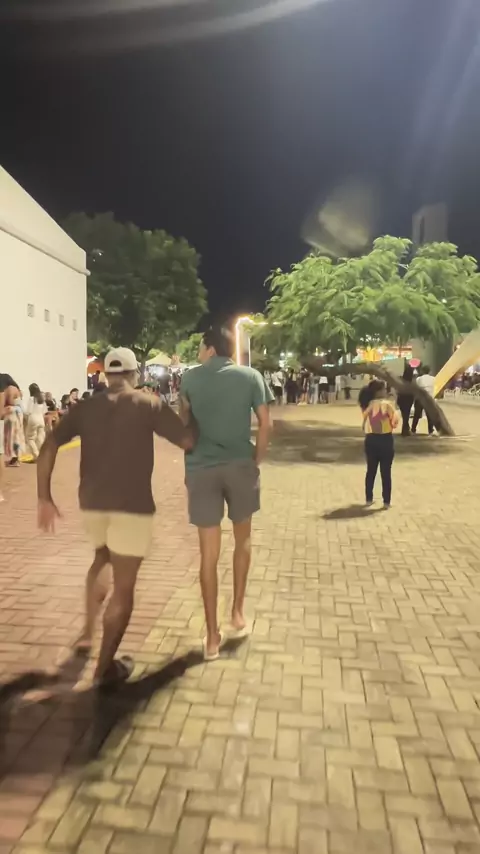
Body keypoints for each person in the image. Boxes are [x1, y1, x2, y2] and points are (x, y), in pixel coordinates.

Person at [37, 346, 195, 687]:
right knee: (123, 587)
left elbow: (48, 445)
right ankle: (104, 670)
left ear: (106, 375)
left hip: (92, 503)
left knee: (101, 558)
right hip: (131, 506)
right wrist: (188, 412)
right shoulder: (148, 403)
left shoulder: (84, 407)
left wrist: (44, 497)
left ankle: (87, 634)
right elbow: (187, 440)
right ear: (134, 374)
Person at [179, 327, 272, 661]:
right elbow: (265, 423)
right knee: (242, 540)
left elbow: (184, 426)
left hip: (201, 469)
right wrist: (256, 459)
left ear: (211, 348)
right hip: (239, 465)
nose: (198, 353)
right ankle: (237, 612)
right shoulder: (250, 377)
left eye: (200, 347)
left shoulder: (189, 379)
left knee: (208, 555)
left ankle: (211, 637)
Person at [360, 380, 399, 509]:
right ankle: (386, 501)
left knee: (371, 471)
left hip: (370, 439)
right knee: (385, 472)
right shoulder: (387, 405)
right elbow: (394, 423)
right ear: (379, 391)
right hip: (385, 440)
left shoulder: (368, 405)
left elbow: (364, 424)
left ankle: (368, 498)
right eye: (384, 389)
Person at [25, 384, 47, 460]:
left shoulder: (31, 399)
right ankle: (42, 454)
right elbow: (44, 411)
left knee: (30, 438)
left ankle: (36, 455)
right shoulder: (42, 399)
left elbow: (29, 411)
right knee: (40, 438)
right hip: (41, 418)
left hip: (33, 418)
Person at [412, 366, 436, 435]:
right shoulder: (433, 379)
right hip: (429, 399)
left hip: (420, 398)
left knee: (416, 414)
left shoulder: (418, 379)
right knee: (430, 415)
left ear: (422, 371)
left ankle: (413, 429)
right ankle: (430, 430)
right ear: (429, 371)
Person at [396, 365, 415, 436]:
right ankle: (405, 430)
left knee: (404, 415)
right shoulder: (411, 381)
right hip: (408, 399)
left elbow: (398, 390)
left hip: (401, 399)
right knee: (406, 415)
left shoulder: (401, 380)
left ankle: (406, 429)